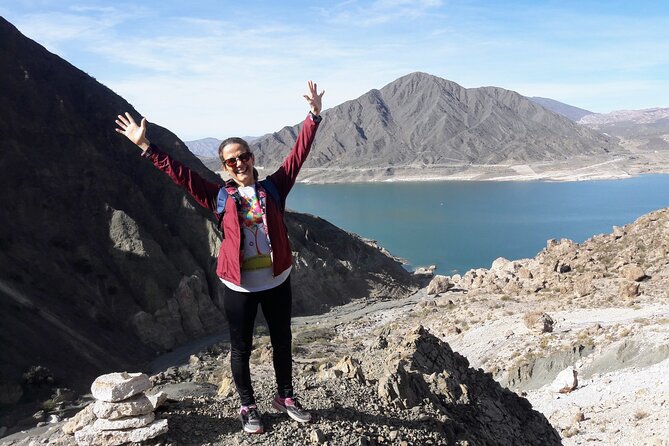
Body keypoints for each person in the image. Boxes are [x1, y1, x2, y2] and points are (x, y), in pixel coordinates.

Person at [115, 81, 324, 434]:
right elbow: (180, 175)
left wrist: (313, 117)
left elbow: (297, 155)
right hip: (238, 286)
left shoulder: (273, 188)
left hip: (276, 280)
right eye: (232, 160)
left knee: (281, 341)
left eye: (244, 156)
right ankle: (247, 406)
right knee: (241, 348)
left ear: (253, 158)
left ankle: (285, 397)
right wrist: (146, 146)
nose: (239, 163)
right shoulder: (219, 197)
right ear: (225, 166)